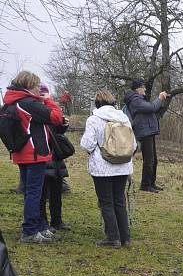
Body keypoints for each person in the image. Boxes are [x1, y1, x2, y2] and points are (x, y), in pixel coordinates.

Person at [2, 71, 65, 243]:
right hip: (35, 153)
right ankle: (30, 230)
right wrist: (48, 100)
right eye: (37, 85)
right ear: (29, 85)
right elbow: (56, 117)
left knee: (31, 192)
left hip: (21, 152)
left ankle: (41, 226)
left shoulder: (12, 102)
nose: (39, 88)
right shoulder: (29, 103)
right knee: (34, 193)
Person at [80, 89, 138, 248]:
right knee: (119, 200)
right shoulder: (124, 118)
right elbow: (133, 145)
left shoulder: (94, 119)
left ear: (97, 103)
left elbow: (87, 144)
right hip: (123, 166)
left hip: (102, 168)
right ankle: (125, 237)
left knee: (106, 201)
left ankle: (113, 237)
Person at [123, 79, 167, 193]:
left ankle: (151, 183)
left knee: (154, 159)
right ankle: (145, 185)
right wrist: (160, 99)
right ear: (138, 89)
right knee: (149, 159)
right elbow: (151, 107)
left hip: (149, 130)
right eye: (143, 87)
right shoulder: (135, 100)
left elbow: (153, 108)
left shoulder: (139, 99)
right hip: (144, 131)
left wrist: (160, 102)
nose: (145, 89)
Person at [38, 84, 71, 233]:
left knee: (56, 192)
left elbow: (56, 129)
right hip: (43, 155)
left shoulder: (52, 109)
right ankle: (43, 221)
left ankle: (57, 221)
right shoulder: (38, 110)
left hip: (56, 156)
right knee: (42, 193)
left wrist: (63, 125)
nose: (45, 96)